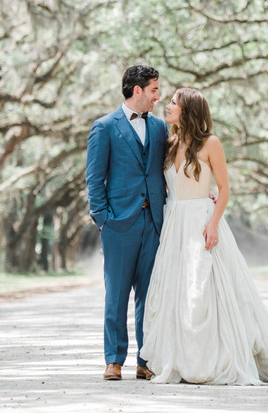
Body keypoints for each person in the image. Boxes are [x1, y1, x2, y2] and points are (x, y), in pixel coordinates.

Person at [141, 88, 268, 385]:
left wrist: (214, 223)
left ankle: (211, 359)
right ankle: (179, 359)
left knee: (201, 289)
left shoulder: (211, 144)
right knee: (174, 291)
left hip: (201, 222)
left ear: (188, 110)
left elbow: (224, 189)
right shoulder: (169, 144)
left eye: (172, 103)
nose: (166, 107)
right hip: (174, 223)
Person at [85, 65, 167, 381]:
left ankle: (145, 360)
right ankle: (114, 360)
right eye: (154, 90)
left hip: (154, 223)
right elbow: (94, 177)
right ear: (138, 90)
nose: (158, 97)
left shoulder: (160, 128)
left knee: (150, 296)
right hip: (118, 224)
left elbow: (172, 168)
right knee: (116, 296)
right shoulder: (104, 127)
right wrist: (103, 219)